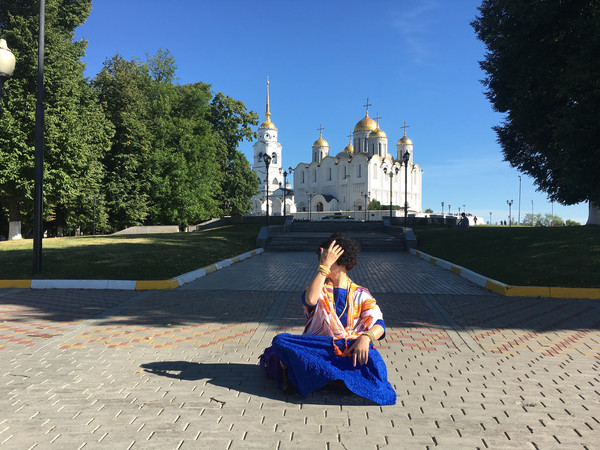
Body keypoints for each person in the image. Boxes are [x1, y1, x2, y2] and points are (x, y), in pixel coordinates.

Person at [268, 233, 396, 405]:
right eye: (322, 259)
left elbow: (379, 324)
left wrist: (366, 337)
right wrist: (324, 266)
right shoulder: (318, 287)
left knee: (374, 363)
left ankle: (323, 376)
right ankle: (339, 379)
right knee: (280, 341)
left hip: (349, 348)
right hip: (320, 347)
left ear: (342, 261)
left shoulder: (360, 293)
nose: (323, 261)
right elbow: (310, 300)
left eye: (328, 258)